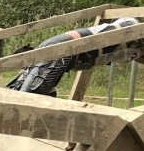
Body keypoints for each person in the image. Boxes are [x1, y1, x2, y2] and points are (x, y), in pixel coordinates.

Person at [7, 17, 139, 96]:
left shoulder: (133, 42)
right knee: (22, 94)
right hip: (63, 50)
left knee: (33, 95)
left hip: (64, 51)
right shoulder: (132, 27)